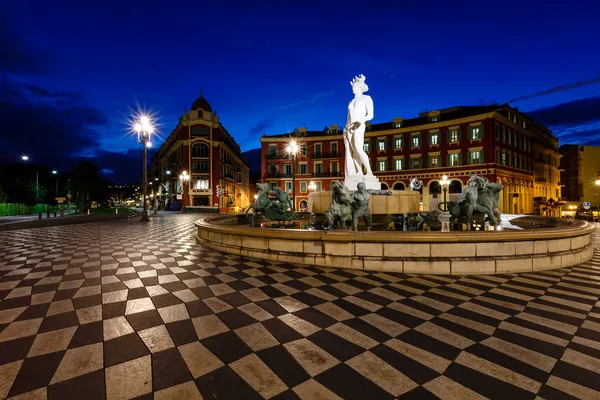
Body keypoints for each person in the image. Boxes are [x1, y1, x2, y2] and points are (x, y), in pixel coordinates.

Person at [344, 74, 374, 177]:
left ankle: (369, 172)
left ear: (360, 87)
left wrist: (362, 120)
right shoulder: (351, 101)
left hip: (359, 125)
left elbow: (370, 115)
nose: (353, 88)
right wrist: (346, 128)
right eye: (353, 86)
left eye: (355, 86)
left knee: (358, 148)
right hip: (349, 127)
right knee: (353, 151)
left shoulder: (366, 98)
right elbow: (348, 116)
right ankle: (359, 172)